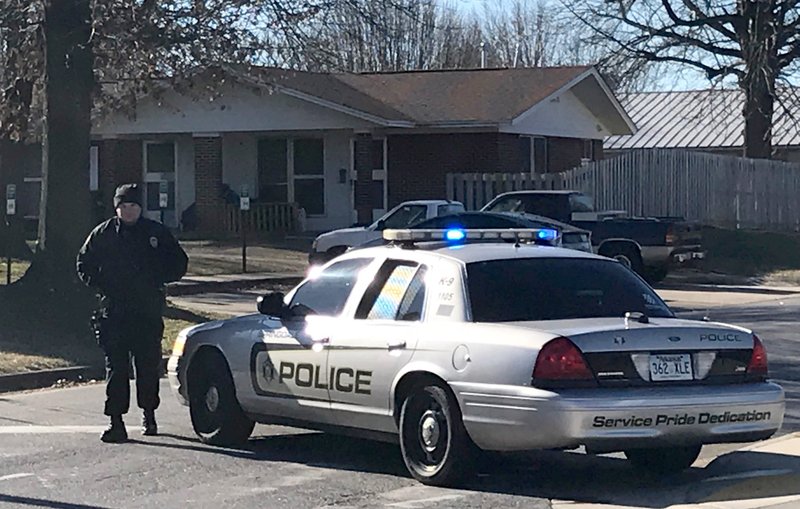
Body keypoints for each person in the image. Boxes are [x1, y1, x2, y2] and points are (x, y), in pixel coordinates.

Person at [77, 183, 188, 443]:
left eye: (133, 206)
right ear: (116, 208)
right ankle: (116, 421)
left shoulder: (155, 233)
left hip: (146, 310)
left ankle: (149, 414)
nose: (128, 211)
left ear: (141, 208)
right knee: (115, 367)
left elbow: (178, 262)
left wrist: (158, 280)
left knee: (147, 365)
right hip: (114, 310)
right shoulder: (102, 234)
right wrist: (101, 285)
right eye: (123, 206)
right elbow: (83, 263)